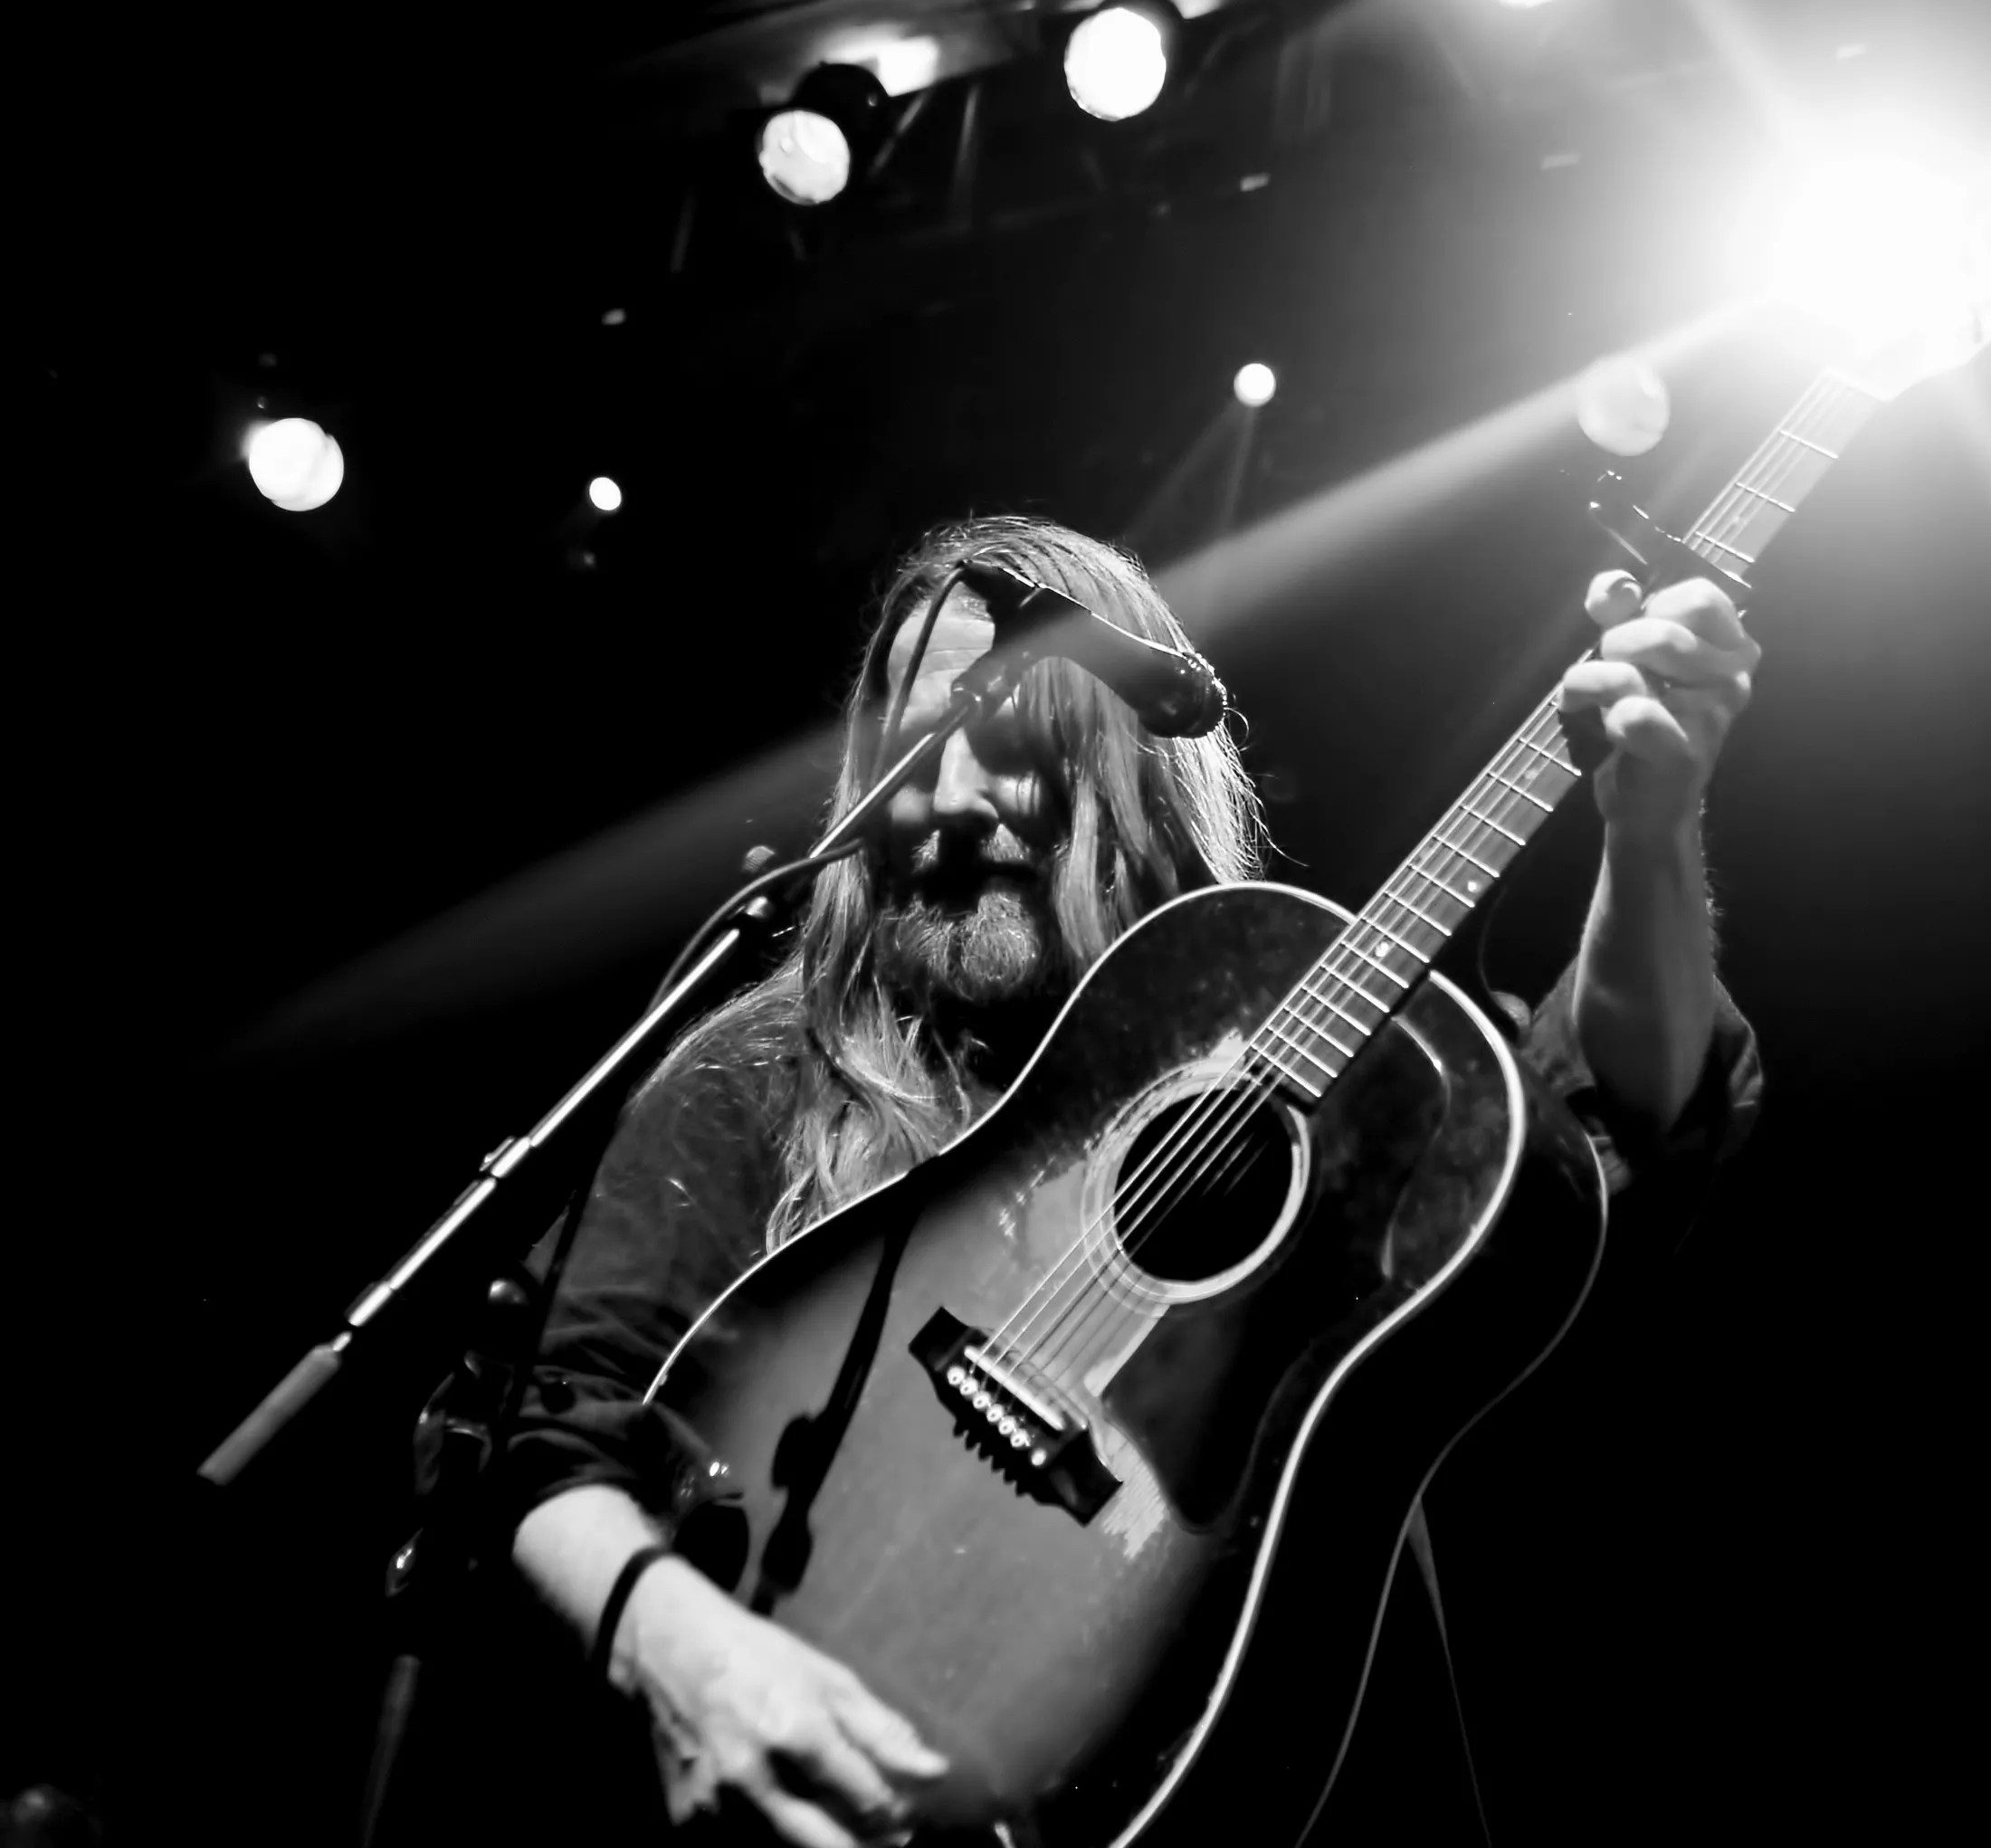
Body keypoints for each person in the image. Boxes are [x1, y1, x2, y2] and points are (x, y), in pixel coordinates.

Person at [454, 515, 1762, 1844]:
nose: (958, 796)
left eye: (1017, 741)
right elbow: (531, 1422)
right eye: (914, 748)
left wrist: (1650, 830)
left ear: (1141, 765)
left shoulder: (1312, 1059)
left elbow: (1602, 1131)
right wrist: (686, 1655)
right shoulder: (763, 1074)